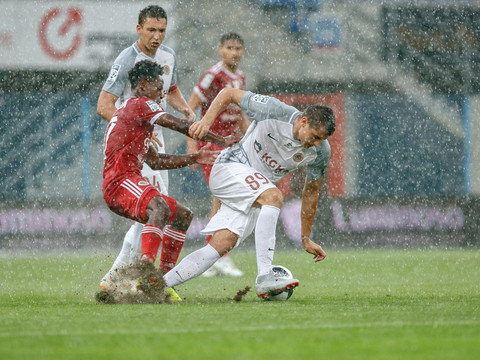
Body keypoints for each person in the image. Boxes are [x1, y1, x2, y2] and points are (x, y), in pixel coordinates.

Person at [163, 88, 336, 299]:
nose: (317, 143)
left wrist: (306, 238)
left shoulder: (320, 151)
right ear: (303, 121)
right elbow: (228, 93)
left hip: (253, 192)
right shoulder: (274, 110)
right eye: (316, 136)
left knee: (221, 244)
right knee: (274, 196)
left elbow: (311, 192)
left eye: (322, 139)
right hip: (231, 166)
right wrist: (206, 122)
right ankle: (265, 276)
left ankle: (158, 286)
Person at [102, 60, 233, 295]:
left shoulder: (135, 117)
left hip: (128, 181)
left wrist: (193, 158)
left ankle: (160, 283)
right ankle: (146, 271)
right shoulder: (140, 104)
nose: (162, 92)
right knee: (159, 208)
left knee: (183, 215)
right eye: (158, 86)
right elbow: (182, 125)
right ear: (142, 85)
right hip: (119, 183)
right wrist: (222, 140)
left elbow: (155, 161)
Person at [97, 5, 195, 298]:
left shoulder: (168, 56)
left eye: (162, 30)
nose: (156, 36)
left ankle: (122, 279)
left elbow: (172, 89)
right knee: (156, 209)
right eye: (151, 30)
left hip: (156, 137)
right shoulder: (126, 59)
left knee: (156, 212)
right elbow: (104, 105)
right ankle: (140, 278)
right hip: (137, 144)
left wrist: (187, 109)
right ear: (138, 29)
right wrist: (135, 133)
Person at [186, 32, 249, 277]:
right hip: (211, 145)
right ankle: (218, 256)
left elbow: (241, 116)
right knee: (222, 198)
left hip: (230, 146)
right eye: (229, 47)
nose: (234, 52)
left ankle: (211, 256)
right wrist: (192, 146)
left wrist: (250, 140)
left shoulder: (240, 77)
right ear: (220, 50)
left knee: (223, 200)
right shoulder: (213, 75)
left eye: (238, 48)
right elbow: (189, 109)